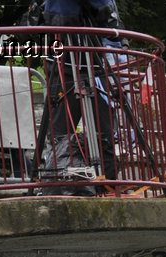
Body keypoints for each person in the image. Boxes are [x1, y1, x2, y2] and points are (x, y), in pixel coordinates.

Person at [30, 0, 123, 184]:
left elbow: (107, 17)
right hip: (66, 62)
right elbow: (106, 16)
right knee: (61, 133)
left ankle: (104, 181)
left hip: (88, 60)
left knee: (101, 131)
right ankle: (61, 178)